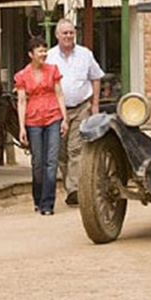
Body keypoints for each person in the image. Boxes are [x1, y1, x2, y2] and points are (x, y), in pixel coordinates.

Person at [46, 18, 104, 206]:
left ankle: (75, 190)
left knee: (75, 149)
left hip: (81, 108)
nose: (69, 36)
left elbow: (96, 77)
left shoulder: (85, 54)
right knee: (61, 152)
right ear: (57, 35)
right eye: (65, 33)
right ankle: (70, 184)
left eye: (71, 32)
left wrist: (95, 105)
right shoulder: (49, 57)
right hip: (57, 110)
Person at [15, 36, 68, 215]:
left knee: (51, 161)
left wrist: (65, 118)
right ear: (31, 54)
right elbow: (21, 101)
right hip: (33, 120)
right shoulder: (22, 75)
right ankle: (38, 197)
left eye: (45, 50)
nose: (44, 53)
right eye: (40, 50)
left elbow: (60, 94)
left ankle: (47, 203)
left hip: (53, 115)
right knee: (37, 162)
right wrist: (21, 126)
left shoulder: (53, 70)